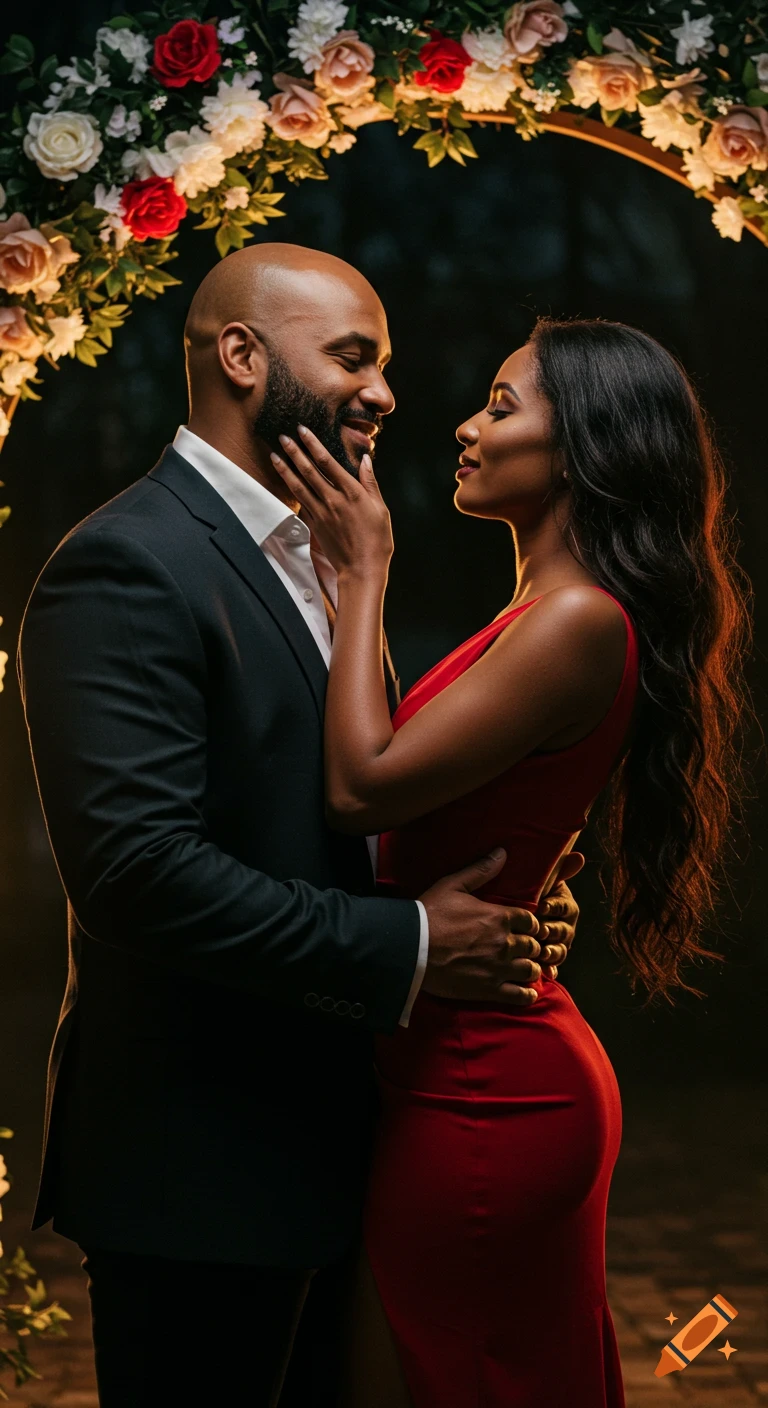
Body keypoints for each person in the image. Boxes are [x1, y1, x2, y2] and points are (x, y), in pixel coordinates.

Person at [17, 245, 581, 1408]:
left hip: (339, 1144)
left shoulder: (322, 552)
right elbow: (140, 874)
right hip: (202, 1165)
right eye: (353, 357)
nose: (383, 392)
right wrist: (416, 948)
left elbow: (346, 809)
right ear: (241, 356)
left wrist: (498, 894)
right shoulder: (127, 563)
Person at [270, 315, 749, 1408]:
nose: (463, 426)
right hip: (456, 1057)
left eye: (501, 405)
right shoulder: (541, 611)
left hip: (489, 1090)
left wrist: (366, 566)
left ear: (582, 445)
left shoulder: (575, 619)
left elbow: (359, 787)